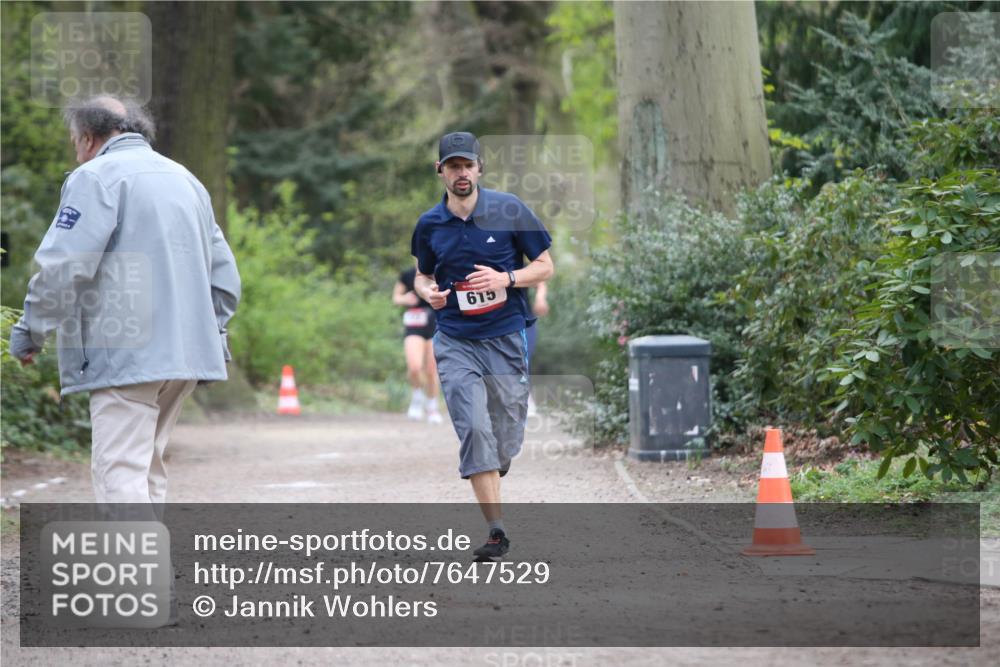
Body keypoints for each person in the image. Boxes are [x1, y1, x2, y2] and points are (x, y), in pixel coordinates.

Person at [8, 95, 241, 509]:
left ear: (88, 137)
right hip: (184, 355)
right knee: (146, 469)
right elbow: (224, 279)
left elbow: (64, 266)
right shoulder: (186, 180)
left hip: (124, 351)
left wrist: (31, 330)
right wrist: (212, 331)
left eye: (74, 140)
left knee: (120, 471)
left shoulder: (95, 177)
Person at [411, 131, 553, 558]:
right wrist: (427, 292)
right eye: (452, 166)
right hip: (455, 340)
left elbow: (545, 266)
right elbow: (421, 274)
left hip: (505, 337)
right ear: (441, 171)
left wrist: (506, 279)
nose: (461, 173)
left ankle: (497, 456)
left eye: (467, 165)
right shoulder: (429, 224)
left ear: (479, 169)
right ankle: (496, 530)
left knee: (505, 436)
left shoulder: (510, 209)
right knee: (474, 429)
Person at [392, 266, 443, 424]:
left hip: (436, 324)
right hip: (414, 325)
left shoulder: (441, 270)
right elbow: (396, 298)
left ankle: (432, 406)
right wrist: (405, 299)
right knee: (414, 367)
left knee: (431, 370)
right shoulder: (407, 274)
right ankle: (417, 397)